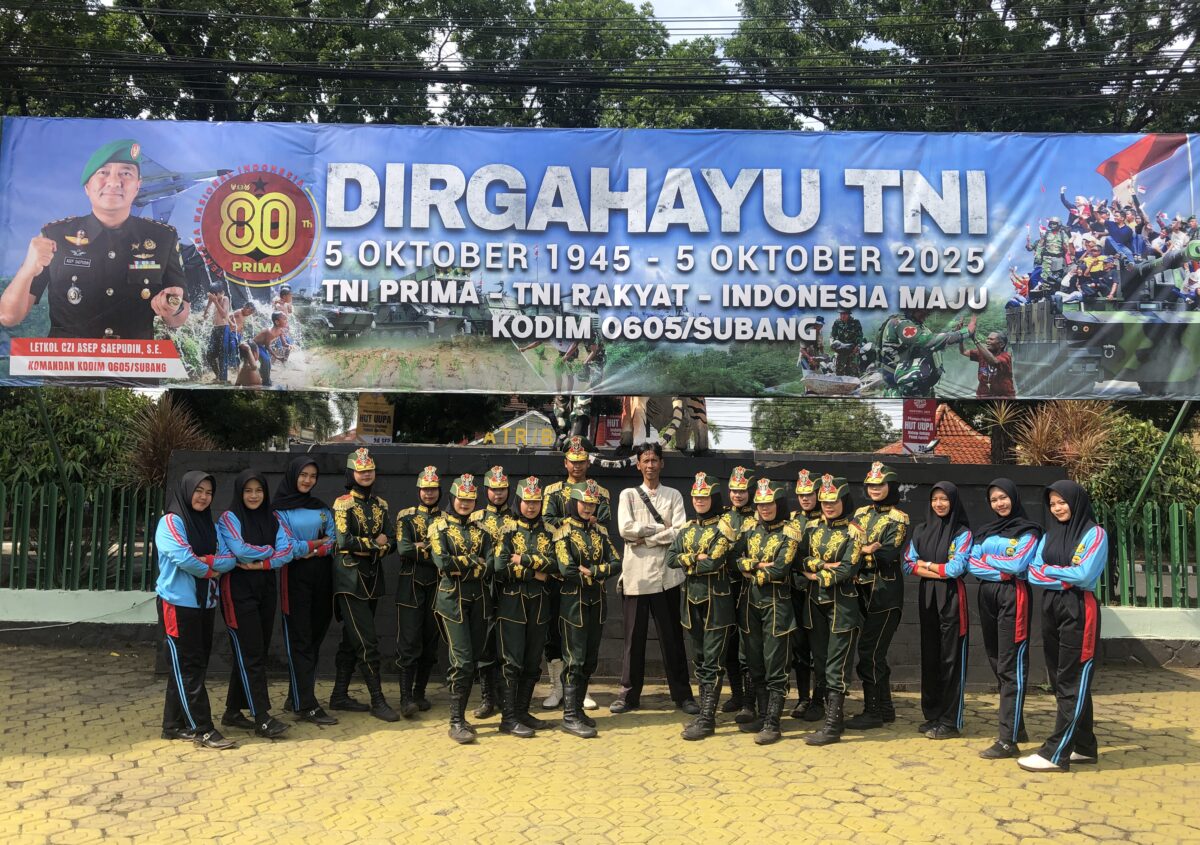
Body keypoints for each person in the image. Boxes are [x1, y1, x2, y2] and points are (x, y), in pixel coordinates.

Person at [0, 139, 191, 339]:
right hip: (68, 359)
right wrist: (27, 270)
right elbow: (8, 316)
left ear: (138, 186)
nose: (114, 182)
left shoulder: (163, 238)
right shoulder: (54, 236)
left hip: (133, 359)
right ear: (87, 186)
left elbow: (179, 318)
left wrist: (174, 307)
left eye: (126, 173)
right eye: (103, 172)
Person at [1020, 481, 1107, 773]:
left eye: (1062, 502)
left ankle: (1056, 753)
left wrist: (1051, 572)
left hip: (1080, 608)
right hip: (1052, 606)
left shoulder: (1094, 533)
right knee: (1060, 678)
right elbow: (1033, 572)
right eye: (1053, 504)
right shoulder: (1050, 534)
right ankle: (1084, 746)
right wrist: (1062, 575)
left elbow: (1084, 575)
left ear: (1076, 501)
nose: (1057, 508)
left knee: (1073, 678)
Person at [155, 471, 236, 749]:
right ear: (187, 491)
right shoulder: (171, 522)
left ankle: (172, 725)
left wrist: (209, 562)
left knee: (192, 666)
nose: (203, 497)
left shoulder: (209, 525)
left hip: (205, 603)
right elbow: (183, 558)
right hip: (178, 605)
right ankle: (203, 729)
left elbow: (229, 558)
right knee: (187, 667)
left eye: (208, 492)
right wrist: (210, 570)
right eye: (198, 490)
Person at [613, 442, 696, 715]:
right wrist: (660, 529)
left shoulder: (673, 495)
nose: (650, 465)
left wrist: (646, 538)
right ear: (638, 464)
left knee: (672, 639)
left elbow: (680, 531)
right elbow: (625, 529)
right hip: (635, 577)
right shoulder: (628, 495)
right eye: (645, 460)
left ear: (662, 463)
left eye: (654, 460)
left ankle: (683, 695)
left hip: (666, 577)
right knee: (632, 641)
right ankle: (628, 695)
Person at [216, 470, 294, 739]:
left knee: (255, 650)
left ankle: (232, 712)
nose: (253, 495)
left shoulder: (273, 518)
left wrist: (262, 562)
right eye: (248, 490)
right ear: (240, 493)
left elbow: (287, 551)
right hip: (237, 590)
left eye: (258, 490)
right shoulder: (229, 518)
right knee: (250, 652)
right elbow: (239, 550)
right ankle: (262, 717)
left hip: (265, 588)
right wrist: (269, 551)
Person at [970, 478, 1042, 760]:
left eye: (1003, 497)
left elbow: (1019, 564)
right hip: (987, 595)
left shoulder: (1029, 531)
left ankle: (1007, 741)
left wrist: (990, 562)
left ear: (1014, 497)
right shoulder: (986, 531)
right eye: (994, 499)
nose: (999, 503)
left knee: (1011, 664)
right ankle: (1016, 726)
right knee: (995, 659)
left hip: (1015, 596)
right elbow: (971, 562)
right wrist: (1001, 570)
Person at [540, 435, 610, 711]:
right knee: (554, 633)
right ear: (565, 462)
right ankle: (557, 688)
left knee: (585, 637)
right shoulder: (553, 491)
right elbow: (547, 522)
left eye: (582, 461)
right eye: (573, 461)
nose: (577, 465)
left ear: (588, 462)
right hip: (559, 573)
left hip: (588, 574)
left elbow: (602, 522)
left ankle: (582, 689)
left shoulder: (600, 492)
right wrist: (575, 521)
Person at [331, 447, 399, 722]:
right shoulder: (343, 504)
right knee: (367, 641)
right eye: (361, 470)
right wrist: (375, 544)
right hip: (349, 579)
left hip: (372, 578)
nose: (366, 474)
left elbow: (392, 540)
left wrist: (373, 548)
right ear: (351, 473)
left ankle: (339, 695)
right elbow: (343, 541)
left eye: (369, 469)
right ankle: (377, 700)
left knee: (352, 639)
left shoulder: (381, 505)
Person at [666, 473, 734, 741]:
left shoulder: (723, 528)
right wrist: (696, 557)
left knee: (714, 662)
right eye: (696, 496)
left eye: (704, 497)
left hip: (717, 603)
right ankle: (705, 712)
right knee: (700, 659)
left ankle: (707, 719)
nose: (699, 501)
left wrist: (689, 562)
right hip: (691, 601)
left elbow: (713, 563)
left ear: (714, 498)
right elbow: (671, 558)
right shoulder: (687, 528)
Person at [735, 478, 802, 745]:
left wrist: (750, 567)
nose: (764, 508)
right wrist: (757, 564)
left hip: (777, 605)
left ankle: (773, 722)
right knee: (755, 663)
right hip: (750, 604)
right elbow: (734, 558)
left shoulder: (790, 532)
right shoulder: (749, 530)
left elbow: (781, 568)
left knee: (776, 665)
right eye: (760, 504)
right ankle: (762, 716)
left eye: (769, 503)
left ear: (779, 504)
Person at [904, 482, 973, 740]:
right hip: (928, 597)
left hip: (952, 597)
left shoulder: (962, 533)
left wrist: (926, 565)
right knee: (930, 656)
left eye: (944, 499)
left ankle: (950, 721)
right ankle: (933, 714)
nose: (939, 504)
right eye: (935, 499)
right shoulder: (921, 530)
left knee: (951, 658)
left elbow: (956, 569)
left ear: (953, 501)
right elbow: (908, 564)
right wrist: (937, 569)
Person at [798, 475, 863, 746]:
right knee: (821, 661)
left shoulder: (854, 531)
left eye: (833, 501)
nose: (828, 505)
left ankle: (833, 725)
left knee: (838, 664)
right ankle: (829, 716)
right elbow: (799, 559)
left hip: (842, 606)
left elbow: (848, 568)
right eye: (824, 500)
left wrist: (814, 573)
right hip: (814, 604)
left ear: (844, 501)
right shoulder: (812, 528)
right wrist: (824, 566)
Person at [554, 480, 622, 738]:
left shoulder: (600, 532)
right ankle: (569, 716)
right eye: (583, 503)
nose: (587, 507)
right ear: (574, 503)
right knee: (575, 659)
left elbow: (616, 562)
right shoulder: (563, 533)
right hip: (574, 604)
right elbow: (567, 569)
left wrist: (593, 571)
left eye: (592, 504)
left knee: (590, 660)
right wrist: (597, 575)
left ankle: (579, 710)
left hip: (597, 602)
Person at [273, 457, 338, 727]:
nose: (307, 480)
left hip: (323, 577)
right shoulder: (279, 511)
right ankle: (306, 705)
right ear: (293, 475)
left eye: (312, 476)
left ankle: (295, 697)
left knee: (314, 638)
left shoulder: (321, 507)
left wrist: (312, 549)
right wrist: (315, 544)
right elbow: (288, 548)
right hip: (294, 579)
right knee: (299, 639)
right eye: (303, 475)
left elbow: (333, 540)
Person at [847, 463, 909, 731]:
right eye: (871, 485)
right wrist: (864, 549)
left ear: (890, 487)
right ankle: (885, 709)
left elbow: (888, 553)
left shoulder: (899, 518)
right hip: (861, 589)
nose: (874, 489)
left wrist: (861, 551)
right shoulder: (860, 513)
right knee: (875, 654)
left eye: (880, 485)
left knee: (870, 652)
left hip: (885, 593)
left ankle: (872, 711)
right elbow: (847, 545)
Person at [494, 476, 556, 737]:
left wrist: (524, 560)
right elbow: (499, 566)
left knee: (532, 660)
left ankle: (522, 712)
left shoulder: (550, 532)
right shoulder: (507, 530)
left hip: (540, 603)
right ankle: (508, 718)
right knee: (512, 660)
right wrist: (534, 573)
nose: (531, 507)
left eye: (536, 502)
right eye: (527, 502)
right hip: (512, 603)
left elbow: (556, 565)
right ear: (518, 501)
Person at [430, 474, 489, 744]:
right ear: (452, 498)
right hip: (451, 601)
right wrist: (474, 561)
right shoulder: (439, 528)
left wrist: (463, 563)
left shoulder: (482, 530)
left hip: (478, 600)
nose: (465, 503)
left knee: (472, 659)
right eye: (461, 499)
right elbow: (442, 562)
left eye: (470, 499)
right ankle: (455, 721)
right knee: (462, 661)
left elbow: (492, 564)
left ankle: (462, 718)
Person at [394, 465, 442, 717]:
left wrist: (420, 547)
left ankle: (419, 693)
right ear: (418, 490)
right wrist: (432, 550)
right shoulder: (406, 517)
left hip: (437, 587)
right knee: (409, 642)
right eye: (425, 488)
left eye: (433, 488)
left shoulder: (446, 519)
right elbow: (403, 549)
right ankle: (405, 698)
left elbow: (446, 554)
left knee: (430, 642)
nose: (429, 493)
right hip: (410, 586)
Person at [468, 465, 510, 720]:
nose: (498, 493)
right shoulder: (475, 517)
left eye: (503, 488)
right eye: (494, 489)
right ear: (486, 490)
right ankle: (487, 698)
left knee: (506, 643)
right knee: (485, 643)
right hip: (482, 586)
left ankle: (506, 696)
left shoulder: (516, 518)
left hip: (509, 586)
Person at [717, 466, 756, 724]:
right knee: (729, 644)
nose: (737, 495)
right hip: (725, 588)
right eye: (733, 490)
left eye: (742, 490)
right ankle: (737, 695)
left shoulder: (760, 517)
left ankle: (750, 702)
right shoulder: (721, 517)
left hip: (750, 588)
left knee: (748, 646)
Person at [789, 469, 822, 721]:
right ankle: (803, 698)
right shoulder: (791, 520)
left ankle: (820, 699)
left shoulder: (829, 519)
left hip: (820, 591)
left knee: (820, 648)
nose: (805, 498)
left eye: (809, 493)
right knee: (799, 647)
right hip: (795, 590)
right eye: (801, 494)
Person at [959, 323, 1016, 399]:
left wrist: (975, 340)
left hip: (1003, 397)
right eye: (987, 338)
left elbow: (994, 361)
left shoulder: (1006, 356)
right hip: (982, 395)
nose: (987, 341)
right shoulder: (982, 353)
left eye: (991, 339)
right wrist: (961, 337)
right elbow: (963, 351)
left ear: (1001, 344)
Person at [830, 308, 865, 376]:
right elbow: (832, 335)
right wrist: (832, 344)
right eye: (841, 314)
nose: (842, 316)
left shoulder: (855, 322)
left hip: (853, 350)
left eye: (845, 314)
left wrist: (858, 346)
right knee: (839, 371)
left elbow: (860, 336)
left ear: (849, 314)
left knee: (853, 371)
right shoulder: (837, 323)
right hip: (841, 350)